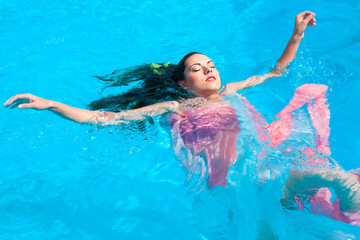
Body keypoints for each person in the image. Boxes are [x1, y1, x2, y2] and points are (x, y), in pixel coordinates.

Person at [4, 11, 359, 223]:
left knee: (304, 183)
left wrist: (296, 34)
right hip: (231, 171)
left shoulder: (233, 90)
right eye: (197, 69)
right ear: (181, 82)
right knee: (318, 183)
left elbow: (275, 72)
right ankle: (299, 192)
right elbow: (106, 118)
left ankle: (293, 194)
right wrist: (51, 104)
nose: (208, 71)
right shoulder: (176, 107)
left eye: (211, 66)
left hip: (262, 155)